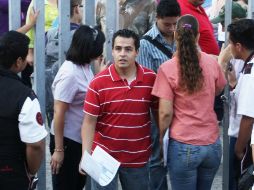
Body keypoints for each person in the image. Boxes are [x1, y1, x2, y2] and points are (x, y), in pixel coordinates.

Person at [152, 15, 226, 190]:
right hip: (212, 145)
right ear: (198, 36)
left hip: (183, 145)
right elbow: (219, 90)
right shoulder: (212, 63)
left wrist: (161, 140)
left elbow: (165, 113)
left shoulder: (167, 68)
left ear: (176, 35)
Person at [81, 29, 157, 190]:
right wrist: (85, 156)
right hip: (103, 158)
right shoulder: (98, 83)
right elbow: (88, 123)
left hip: (138, 158)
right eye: (118, 49)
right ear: (113, 51)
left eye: (128, 49)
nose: (122, 54)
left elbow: (159, 115)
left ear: (137, 52)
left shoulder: (151, 78)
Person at [50, 25, 106, 190]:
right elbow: (58, 112)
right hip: (67, 141)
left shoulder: (85, 66)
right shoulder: (70, 74)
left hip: (78, 139)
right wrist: (59, 150)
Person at [136, 0, 180, 189]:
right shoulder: (146, 43)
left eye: (175, 24)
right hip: (158, 108)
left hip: (180, 106)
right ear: (157, 19)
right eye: (167, 24)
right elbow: (148, 83)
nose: (171, 29)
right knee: (157, 156)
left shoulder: (182, 38)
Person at [0, 31, 47, 189]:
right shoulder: (25, 96)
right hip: (10, 175)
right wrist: (31, 172)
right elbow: (35, 145)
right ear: (19, 61)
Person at [45, 0, 83, 129]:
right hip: (77, 100)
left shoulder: (49, 34)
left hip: (51, 96)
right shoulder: (84, 36)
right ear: (77, 8)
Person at [225, 19, 254, 162]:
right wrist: (234, 84)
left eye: (230, 43)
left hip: (244, 141)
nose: (228, 47)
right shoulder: (248, 65)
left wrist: (238, 149)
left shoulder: (251, 72)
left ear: (238, 46)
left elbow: (248, 118)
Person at [23, 0, 58, 88]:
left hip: (61, 47)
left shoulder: (65, 2)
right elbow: (30, 27)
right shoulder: (37, 2)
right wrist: (30, 52)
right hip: (43, 48)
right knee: (44, 78)